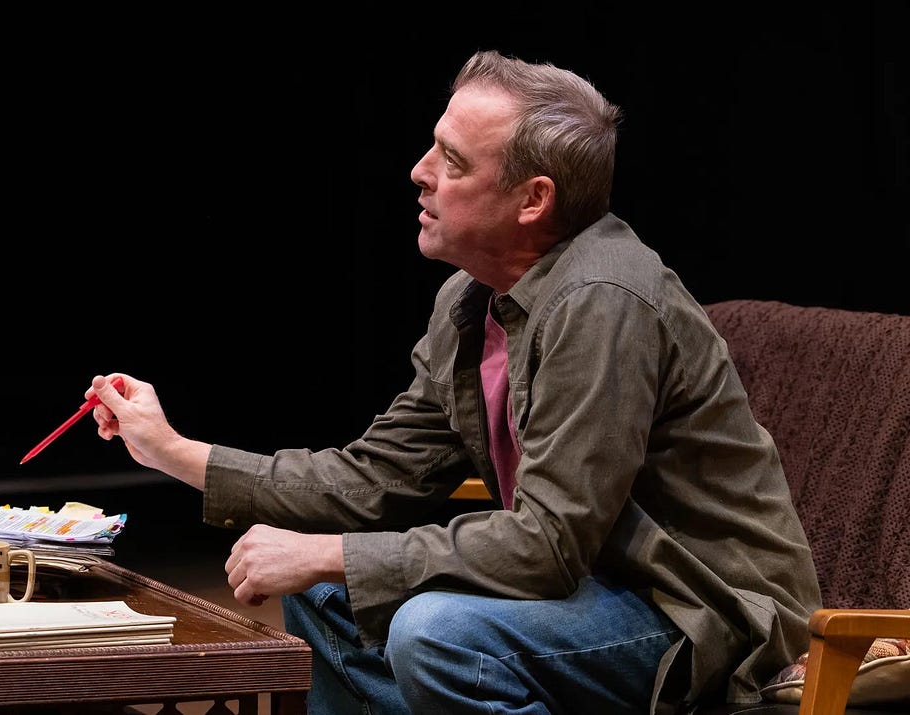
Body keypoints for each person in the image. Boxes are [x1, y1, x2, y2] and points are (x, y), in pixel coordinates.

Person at [86, 50, 822, 714]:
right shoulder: (471, 303)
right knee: (321, 590)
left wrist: (335, 551)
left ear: (533, 199)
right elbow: (371, 479)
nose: (419, 171)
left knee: (435, 634)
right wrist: (174, 450)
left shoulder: (603, 299)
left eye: (453, 160)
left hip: (697, 611)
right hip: (587, 593)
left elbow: (548, 542)